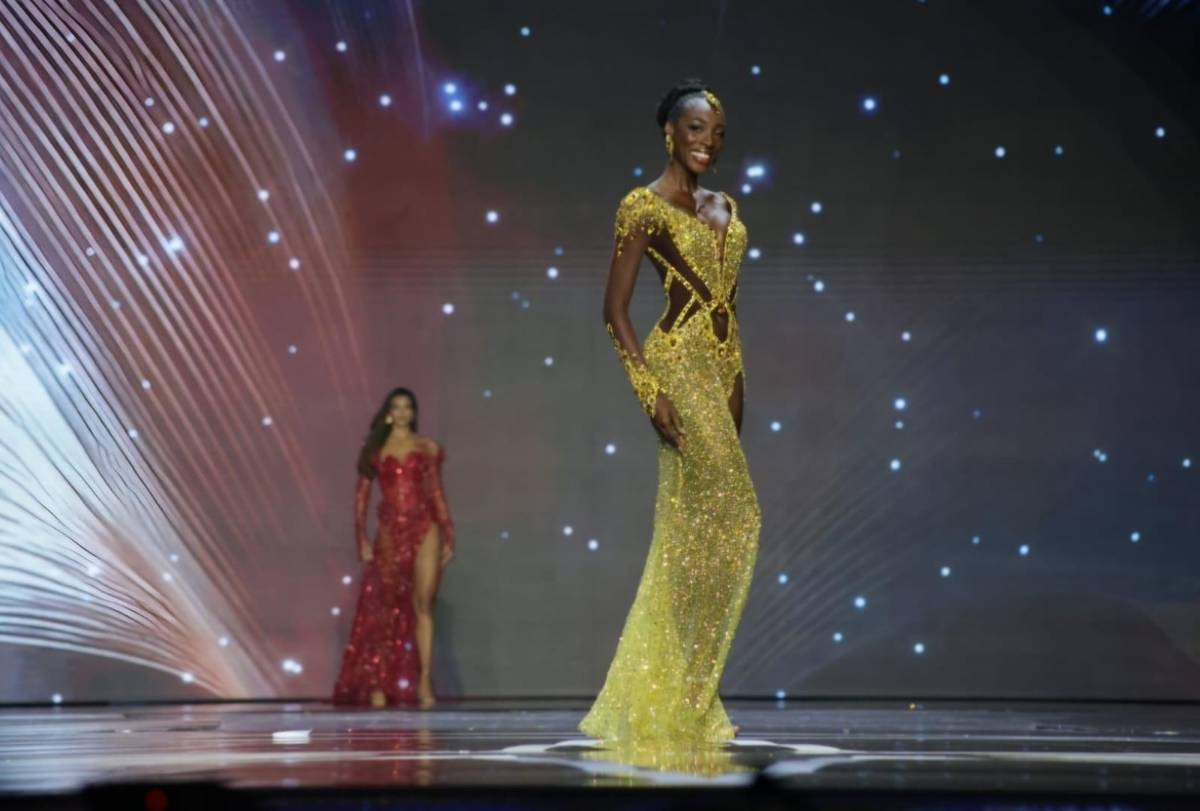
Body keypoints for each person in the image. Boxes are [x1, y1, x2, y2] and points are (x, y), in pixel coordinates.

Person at [580, 79, 761, 744]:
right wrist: (649, 389)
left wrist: (737, 376)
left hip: (727, 369)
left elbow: (729, 306)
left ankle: (686, 695)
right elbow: (614, 311)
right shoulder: (643, 206)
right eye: (694, 128)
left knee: (696, 535)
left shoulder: (727, 204)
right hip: (678, 366)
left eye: (716, 132)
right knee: (740, 518)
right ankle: (685, 693)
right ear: (669, 133)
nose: (707, 141)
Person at [333, 387, 454, 709]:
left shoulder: (426, 448)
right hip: (389, 530)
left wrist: (449, 534)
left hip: (425, 526)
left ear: (413, 412)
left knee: (423, 604)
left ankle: (425, 680)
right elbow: (361, 500)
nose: (401, 412)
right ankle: (378, 682)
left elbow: (437, 493)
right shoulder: (375, 450)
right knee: (384, 610)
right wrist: (362, 537)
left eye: (407, 407)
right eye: (396, 407)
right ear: (389, 412)